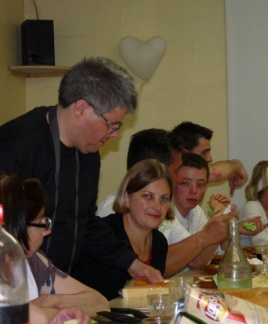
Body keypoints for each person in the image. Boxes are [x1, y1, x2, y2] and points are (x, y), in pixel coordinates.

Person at [0, 56, 163, 284]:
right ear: (81, 109)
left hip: (56, 281)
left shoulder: (88, 153)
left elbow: (84, 222)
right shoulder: (16, 146)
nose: (115, 134)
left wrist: (131, 263)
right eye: (112, 124)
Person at [96, 129, 234, 277]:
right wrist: (207, 234)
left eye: (163, 199)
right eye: (177, 171)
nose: (180, 179)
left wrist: (216, 227)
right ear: (155, 168)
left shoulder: (158, 235)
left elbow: (194, 258)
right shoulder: (109, 218)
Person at [0, 172, 109, 321]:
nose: (48, 231)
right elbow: (38, 318)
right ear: (19, 227)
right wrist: (58, 311)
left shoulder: (33, 259)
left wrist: (54, 301)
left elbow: (100, 303)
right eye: (42, 222)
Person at [73, 160, 172, 300]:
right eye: (148, 196)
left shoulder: (159, 242)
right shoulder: (101, 236)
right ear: (126, 198)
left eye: (164, 198)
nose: (157, 206)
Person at [174, 153, 265, 264]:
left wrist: (227, 223)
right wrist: (217, 222)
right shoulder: (164, 216)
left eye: (200, 184)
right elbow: (194, 263)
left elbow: (220, 254)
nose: (194, 190)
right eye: (185, 183)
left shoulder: (197, 212)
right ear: (173, 181)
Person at [172, 121, 248, 195]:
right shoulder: (172, 174)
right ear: (184, 153)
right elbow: (216, 172)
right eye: (204, 153)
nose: (209, 159)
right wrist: (237, 165)